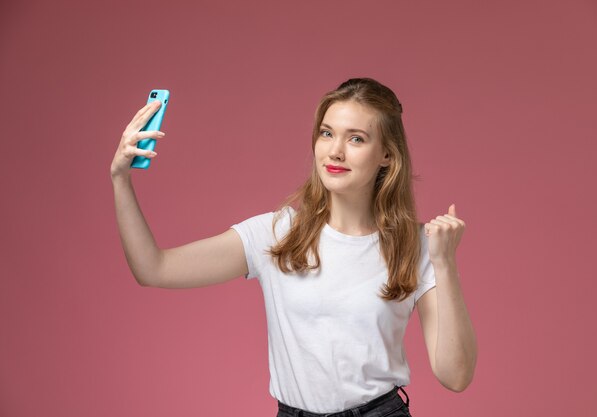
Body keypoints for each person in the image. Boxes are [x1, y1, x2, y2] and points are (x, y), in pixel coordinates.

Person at [111, 78, 477, 417]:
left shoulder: (415, 246)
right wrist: (120, 178)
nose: (335, 151)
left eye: (356, 139)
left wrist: (445, 265)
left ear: (387, 155)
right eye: (327, 133)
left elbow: (455, 376)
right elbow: (153, 269)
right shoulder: (276, 235)